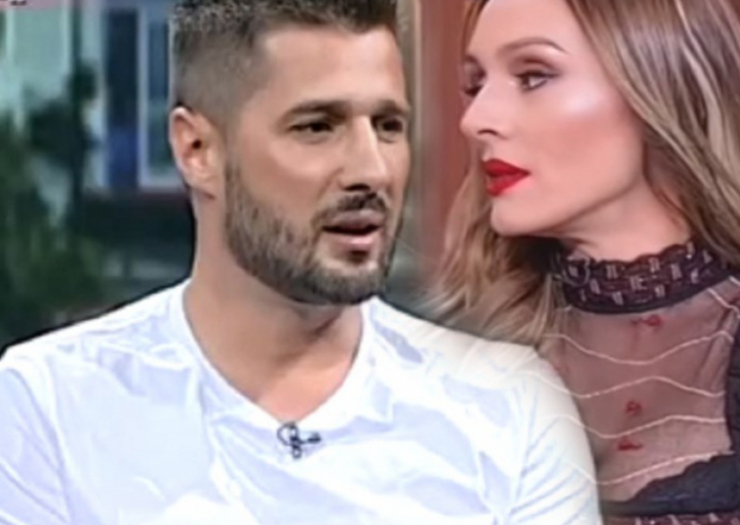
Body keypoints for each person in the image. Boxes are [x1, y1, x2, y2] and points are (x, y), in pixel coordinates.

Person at [0, 1, 600, 523]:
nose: (371, 170)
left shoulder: (509, 408)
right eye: (318, 127)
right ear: (197, 150)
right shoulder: (49, 404)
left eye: (388, 125)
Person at [429, 0, 740, 523]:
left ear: (659, 87)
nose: (474, 119)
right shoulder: (448, 361)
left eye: (533, 76)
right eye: (475, 85)